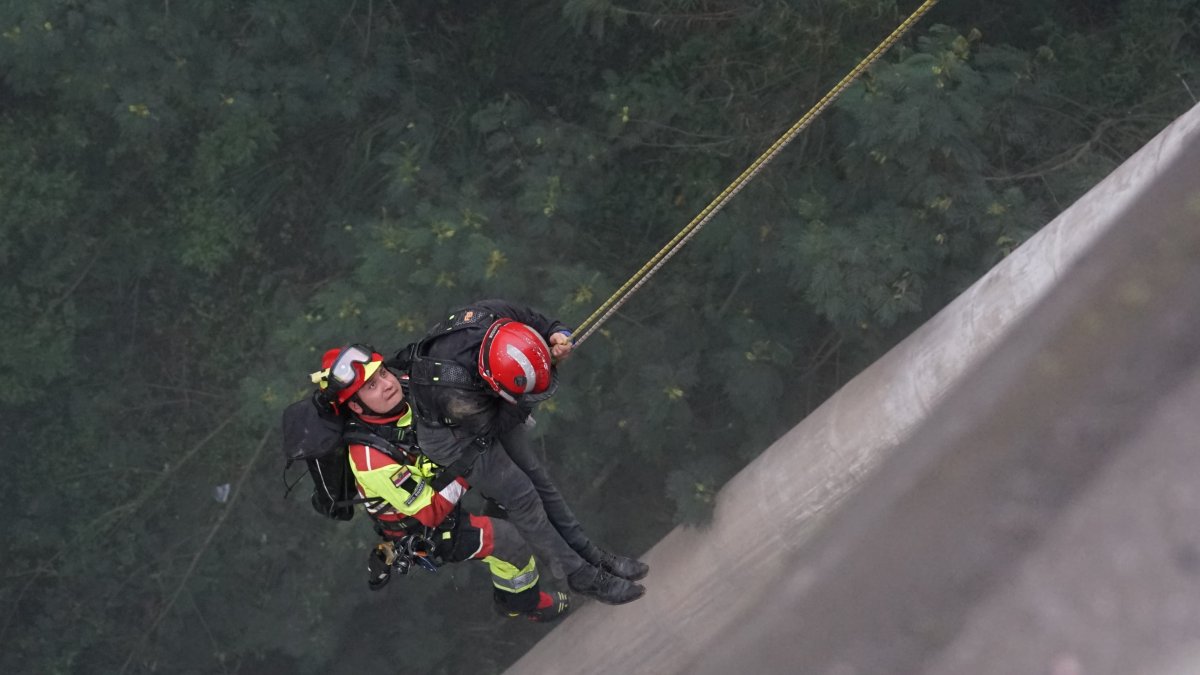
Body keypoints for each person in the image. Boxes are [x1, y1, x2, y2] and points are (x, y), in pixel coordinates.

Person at [397, 299, 648, 605]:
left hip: (491, 400)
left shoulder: (490, 315)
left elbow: (533, 318)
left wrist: (556, 333)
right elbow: (492, 426)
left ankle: (592, 555)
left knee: (538, 479)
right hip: (453, 434)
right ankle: (579, 575)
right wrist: (524, 397)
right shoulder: (453, 394)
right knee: (522, 496)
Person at [310, 344, 570, 622]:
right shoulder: (371, 461)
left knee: (514, 484)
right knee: (510, 543)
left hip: (444, 477)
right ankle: (522, 602)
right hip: (425, 525)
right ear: (354, 405)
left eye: (384, 373)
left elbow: (466, 384)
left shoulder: (409, 388)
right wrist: (468, 460)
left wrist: (533, 359)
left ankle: (559, 555)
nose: (387, 384)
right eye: (371, 386)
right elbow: (431, 511)